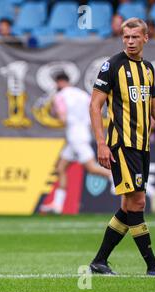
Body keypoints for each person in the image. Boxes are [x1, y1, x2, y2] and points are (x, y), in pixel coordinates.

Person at [89, 18, 155, 276]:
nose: (130, 41)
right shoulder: (112, 65)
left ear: (145, 38)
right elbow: (95, 106)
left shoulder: (148, 68)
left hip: (142, 145)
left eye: (135, 37)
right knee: (139, 202)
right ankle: (153, 264)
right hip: (123, 144)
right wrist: (101, 143)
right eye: (126, 37)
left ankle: (99, 261)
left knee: (129, 206)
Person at [39, 73, 114, 214]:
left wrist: (54, 113)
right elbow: (97, 109)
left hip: (75, 137)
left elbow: (62, 118)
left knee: (91, 168)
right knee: (61, 168)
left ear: (60, 82)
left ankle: (114, 177)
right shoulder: (83, 94)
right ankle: (58, 205)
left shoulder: (59, 97)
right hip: (81, 134)